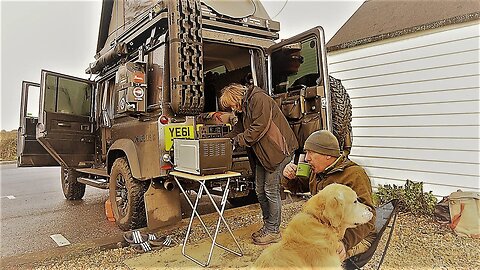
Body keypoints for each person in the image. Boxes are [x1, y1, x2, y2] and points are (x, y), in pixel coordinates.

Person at [220, 83, 298, 245]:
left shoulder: (258, 98)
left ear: (236, 98)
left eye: (231, 105)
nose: (233, 109)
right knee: (259, 191)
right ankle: (268, 225)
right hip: (264, 155)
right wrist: (223, 141)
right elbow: (239, 129)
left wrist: (237, 141)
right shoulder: (245, 108)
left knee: (270, 191)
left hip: (278, 151)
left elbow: (258, 127)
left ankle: (273, 231)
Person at [282, 130, 376, 260]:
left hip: (356, 237)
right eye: (306, 152)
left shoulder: (354, 175)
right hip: (329, 232)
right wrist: (289, 178)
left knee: (316, 259)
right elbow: (298, 187)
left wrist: (345, 243)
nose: (307, 158)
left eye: (311, 153)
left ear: (327, 155)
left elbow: (368, 218)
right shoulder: (318, 171)